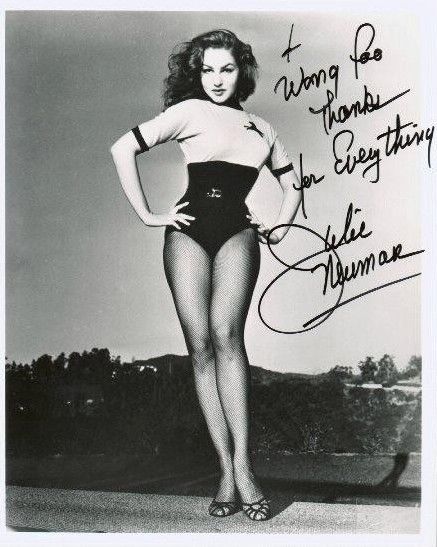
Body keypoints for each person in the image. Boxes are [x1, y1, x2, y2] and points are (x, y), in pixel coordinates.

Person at [110, 29, 302, 522]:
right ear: (196, 73)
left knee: (227, 337)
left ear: (243, 72)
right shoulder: (187, 112)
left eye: (227, 69)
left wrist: (280, 225)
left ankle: (245, 470)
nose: (217, 79)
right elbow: (122, 149)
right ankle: (226, 473)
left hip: (238, 231)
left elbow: (293, 183)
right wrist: (148, 215)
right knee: (200, 346)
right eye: (207, 69)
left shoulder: (263, 129)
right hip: (188, 234)